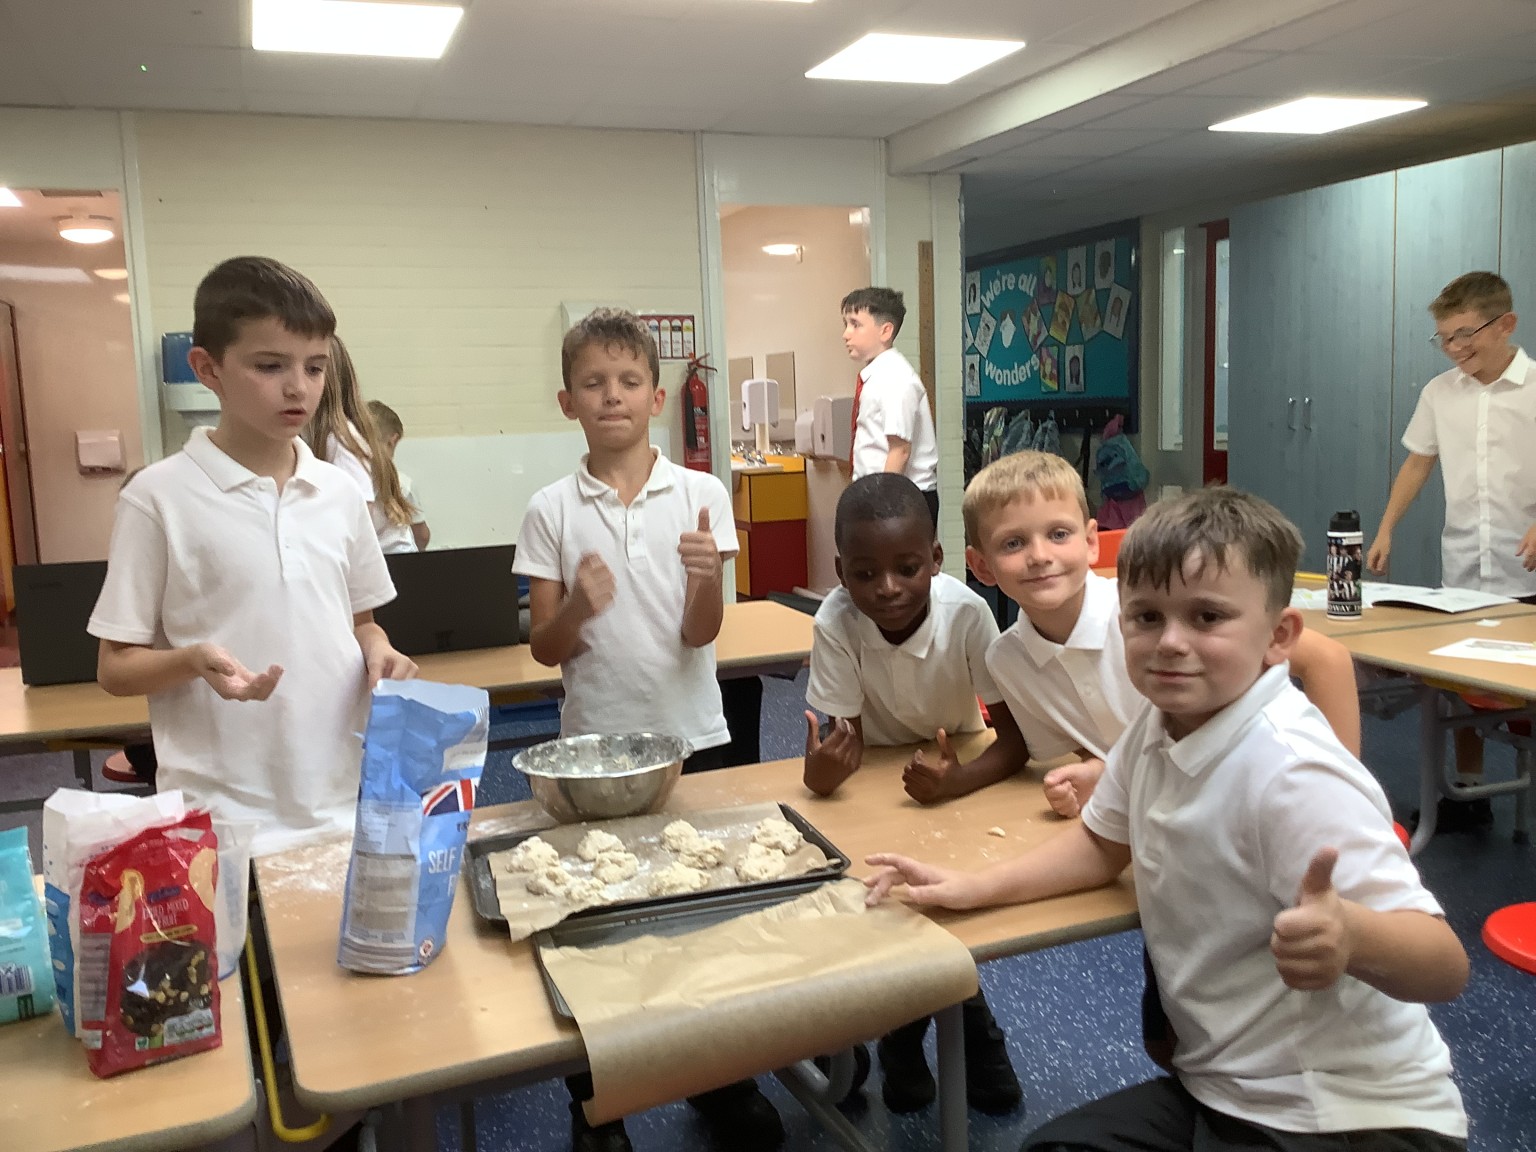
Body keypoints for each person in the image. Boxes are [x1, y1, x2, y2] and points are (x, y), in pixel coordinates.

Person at [869, 486, 1469, 1152]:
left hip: (1349, 1118)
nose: (1170, 643)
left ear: (1278, 637)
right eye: (1146, 617)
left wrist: (1354, 935)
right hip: (1226, 1093)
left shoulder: (1293, 772)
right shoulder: (1156, 731)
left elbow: (1444, 966)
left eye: (1207, 617)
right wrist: (968, 887)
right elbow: (1099, 845)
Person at [513, 307, 781, 1152]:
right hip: (591, 748)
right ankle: (597, 1102)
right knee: (595, 926)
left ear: (658, 397)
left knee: (705, 913)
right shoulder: (551, 508)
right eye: (594, 383)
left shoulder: (701, 495)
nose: (612, 396)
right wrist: (581, 612)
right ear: (567, 402)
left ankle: (720, 1078)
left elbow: (703, 634)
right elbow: (543, 646)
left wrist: (705, 582)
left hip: (691, 737)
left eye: (629, 381)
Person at [89, 256, 416, 856]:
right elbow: (114, 667)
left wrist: (379, 651)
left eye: (315, 368)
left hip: (341, 800)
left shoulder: (340, 492)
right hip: (223, 818)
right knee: (246, 953)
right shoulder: (157, 498)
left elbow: (361, 623)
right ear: (207, 368)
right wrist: (192, 659)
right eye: (270, 366)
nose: (299, 387)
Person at [964, 451, 1361, 822]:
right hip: (1162, 817)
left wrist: (1341, 802)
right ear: (981, 565)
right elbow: (1094, 743)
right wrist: (1099, 773)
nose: (1039, 555)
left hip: (1256, 800)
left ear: (1090, 543)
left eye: (1058, 534)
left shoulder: (1150, 614)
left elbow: (1327, 659)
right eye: (1013, 543)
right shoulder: (1008, 661)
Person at [802, 472, 1024, 1114]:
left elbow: (1012, 743)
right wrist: (821, 775)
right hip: (880, 782)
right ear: (841, 572)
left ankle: (962, 1034)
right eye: (866, 574)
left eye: (906, 568)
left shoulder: (967, 613)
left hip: (964, 768)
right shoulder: (837, 622)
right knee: (874, 896)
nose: (888, 589)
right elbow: (830, 749)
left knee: (946, 900)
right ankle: (890, 1036)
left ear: (936, 559)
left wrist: (956, 782)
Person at [1367, 271, 1534, 829]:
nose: (1456, 348)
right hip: (1465, 565)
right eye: (1445, 337)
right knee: (1459, 691)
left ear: (1505, 324)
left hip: (1528, 570)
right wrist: (1388, 528)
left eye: (1466, 334)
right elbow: (1419, 460)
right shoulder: (1440, 393)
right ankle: (1469, 794)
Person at [305, 336, 418, 555]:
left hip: (389, 560)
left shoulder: (340, 441)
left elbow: (357, 522)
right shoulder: (316, 435)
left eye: (313, 369)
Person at [842, 287, 940, 527]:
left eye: (855, 324)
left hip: (899, 498)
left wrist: (883, 506)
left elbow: (900, 450)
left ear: (885, 331)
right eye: (846, 324)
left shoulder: (895, 378)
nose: (846, 334)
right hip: (878, 492)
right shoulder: (876, 376)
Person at [368, 399, 431, 551]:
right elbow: (422, 536)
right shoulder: (402, 483)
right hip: (402, 560)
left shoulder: (346, 479)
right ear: (393, 440)